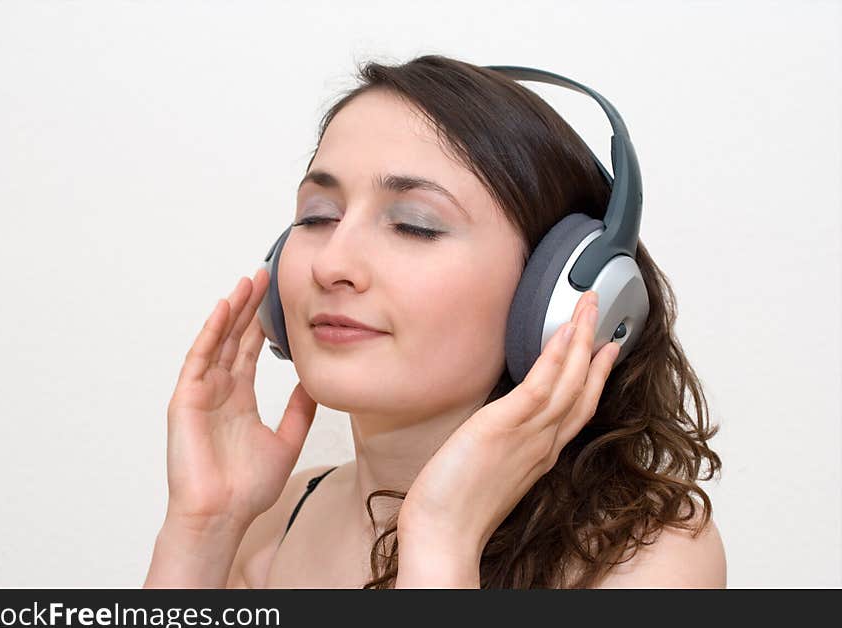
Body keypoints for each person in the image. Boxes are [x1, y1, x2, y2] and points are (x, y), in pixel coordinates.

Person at [144, 54, 726, 589]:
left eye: (416, 225)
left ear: (559, 295)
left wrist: (441, 539)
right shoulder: (275, 525)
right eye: (318, 216)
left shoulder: (646, 559)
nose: (332, 263)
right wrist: (204, 527)